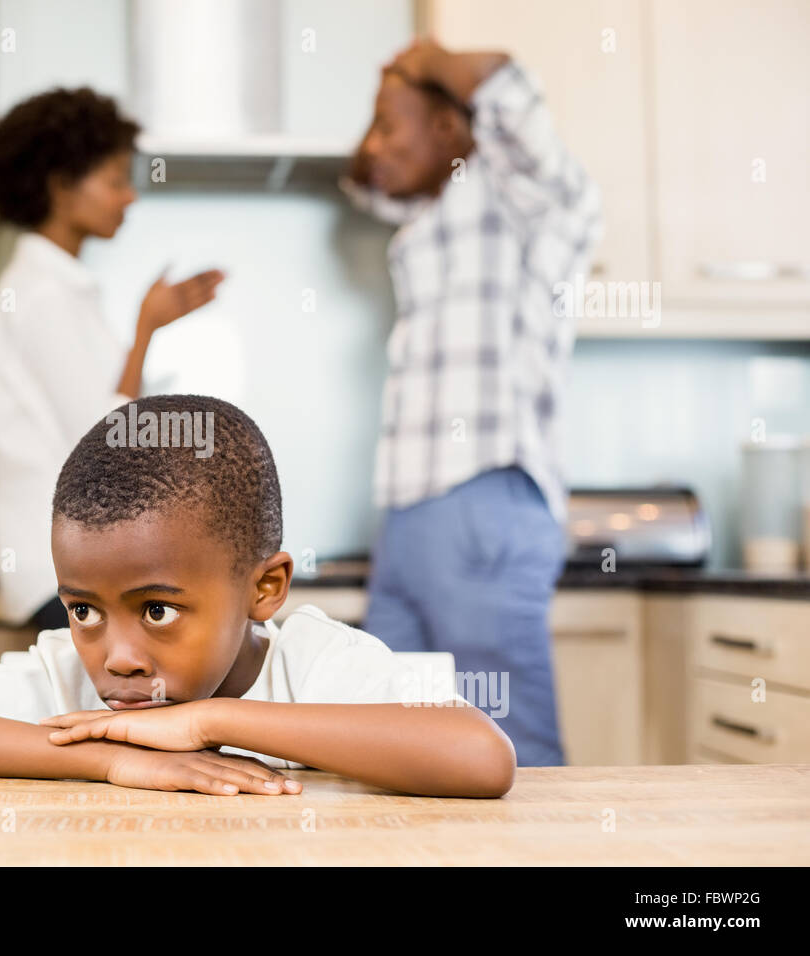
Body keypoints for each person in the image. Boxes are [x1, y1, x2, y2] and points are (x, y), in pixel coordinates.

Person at [0, 394, 515, 798]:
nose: (117, 658)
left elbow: (479, 756)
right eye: (83, 610)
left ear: (265, 588)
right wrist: (111, 761)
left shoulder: (313, 663)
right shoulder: (63, 674)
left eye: (157, 610)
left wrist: (205, 724)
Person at [340, 39, 602, 767]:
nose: (374, 145)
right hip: (407, 514)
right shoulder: (425, 218)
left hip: (482, 495)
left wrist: (430, 64)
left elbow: (506, 92)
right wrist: (392, 104)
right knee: (399, 741)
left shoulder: (511, 203)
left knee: (514, 745)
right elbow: (366, 179)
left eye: (390, 125)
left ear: (454, 132)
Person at [0, 87, 225, 631]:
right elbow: (106, 441)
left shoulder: (55, 289)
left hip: (70, 569)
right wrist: (145, 329)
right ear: (62, 186)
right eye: (115, 181)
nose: (130, 196)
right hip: (59, 574)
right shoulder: (40, 295)